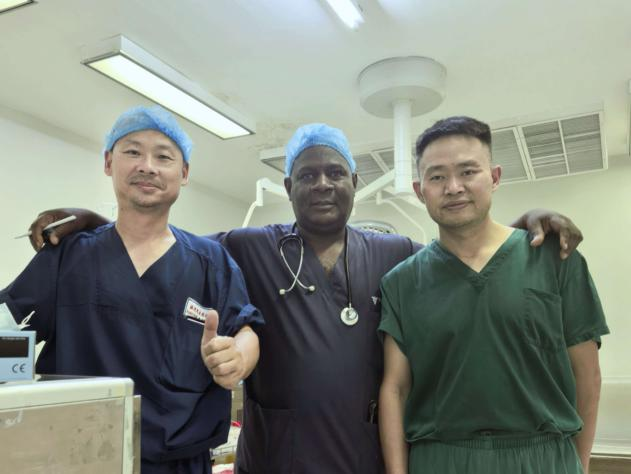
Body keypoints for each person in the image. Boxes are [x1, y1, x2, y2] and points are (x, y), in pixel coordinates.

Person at [25, 123, 584, 474]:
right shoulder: (247, 246)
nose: (322, 184)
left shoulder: (394, 252)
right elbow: (167, 247)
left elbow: (462, 255)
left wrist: (527, 223)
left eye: (335, 173)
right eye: (307, 174)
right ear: (288, 187)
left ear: (354, 183)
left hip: (366, 454)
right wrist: (97, 224)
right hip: (276, 456)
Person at [0, 105, 263, 474]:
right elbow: (8, 327)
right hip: (76, 460)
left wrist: (238, 358)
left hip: (179, 462)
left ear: (184, 173)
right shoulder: (67, 256)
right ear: (109, 162)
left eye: (164, 156)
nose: (148, 166)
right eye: (133, 151)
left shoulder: (210, 262)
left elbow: (246, 330)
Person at [378, 116, 608, 474]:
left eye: (468, 171)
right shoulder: (402, 282)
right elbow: (396, 389)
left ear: (495, 177)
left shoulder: (555, 259)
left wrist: (576, 464)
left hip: (544, 456)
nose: (453, 187)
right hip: (441, 459)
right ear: (420, 190)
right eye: (437, 177)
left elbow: (587, 375)